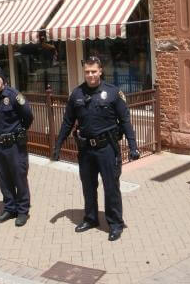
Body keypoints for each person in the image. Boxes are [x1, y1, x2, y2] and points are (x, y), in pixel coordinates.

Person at [52, 56, 140, 242]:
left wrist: (133, 146)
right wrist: (58, 145)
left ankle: (115, 223)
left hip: (107, 148)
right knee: (88, 186)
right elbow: (67, 122)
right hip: (86, 150)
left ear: (100, 71)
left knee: (111, 187)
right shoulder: (76, 94)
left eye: (94, 71)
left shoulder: (113, 93)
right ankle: (91, 218)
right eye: (87, 72)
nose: (90, 75)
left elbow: (125, 121)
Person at [0, 65, 33, 227]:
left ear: (3, 79)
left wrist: (18, 132)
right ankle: (10, 208)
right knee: (3, 178)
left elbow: (28, 116)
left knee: (19, 177)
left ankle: (22, 211)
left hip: (14, 145)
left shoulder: (13, 95)